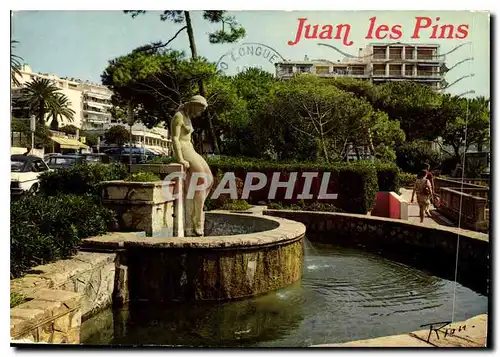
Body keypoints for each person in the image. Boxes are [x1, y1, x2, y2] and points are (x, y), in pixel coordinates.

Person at [170, 95, 213, 236]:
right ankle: (197, 221)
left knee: (210, 180)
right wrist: (180, 158)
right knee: (201, 180)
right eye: (200, 109)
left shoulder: (187, 117)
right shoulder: (178, 116)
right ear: (193, 105)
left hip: (191, 149)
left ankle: (196, 208)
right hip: (183, 149)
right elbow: (175, 138)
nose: (200, 113)